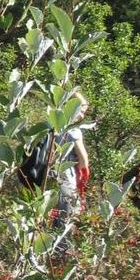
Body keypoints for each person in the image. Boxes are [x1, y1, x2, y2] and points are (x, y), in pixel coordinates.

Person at [54, 93, 89, 250]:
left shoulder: (50, 124)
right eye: (80, 110)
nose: (82, 115)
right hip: (65, 180)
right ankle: (59, 258)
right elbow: (83, 161)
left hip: (45, 179)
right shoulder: (74, 131)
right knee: (66, 221)